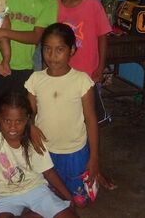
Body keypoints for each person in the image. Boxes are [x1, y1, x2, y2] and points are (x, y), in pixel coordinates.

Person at [25, 23, 115, 207]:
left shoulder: (81, 81)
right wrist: (30, 126)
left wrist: (95, 157)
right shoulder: (35, 80)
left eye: (59, 49)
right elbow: (28, 112)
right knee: (48, 198)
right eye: (47, 49)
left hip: (75, 151)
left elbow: (91, 120)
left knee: (81, 202)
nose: (52, 55)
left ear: (72, 50)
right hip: (46, 151)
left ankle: (96, 174)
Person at [0, 92, 77, 218]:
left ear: (27, 119)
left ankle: (32, 213)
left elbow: (48, 172)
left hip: (35, 189)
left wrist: (69, 198)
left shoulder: (34, 139)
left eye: (19, 121)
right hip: (5, 196)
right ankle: (32, 214)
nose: (13, 127)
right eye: (7, 121)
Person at [54, 0, 112, 83]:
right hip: (61, 71)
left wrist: (100, 67)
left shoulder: (93, 3)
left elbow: (102, 37)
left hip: (88, 71)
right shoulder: (53, 6)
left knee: (88, 102)